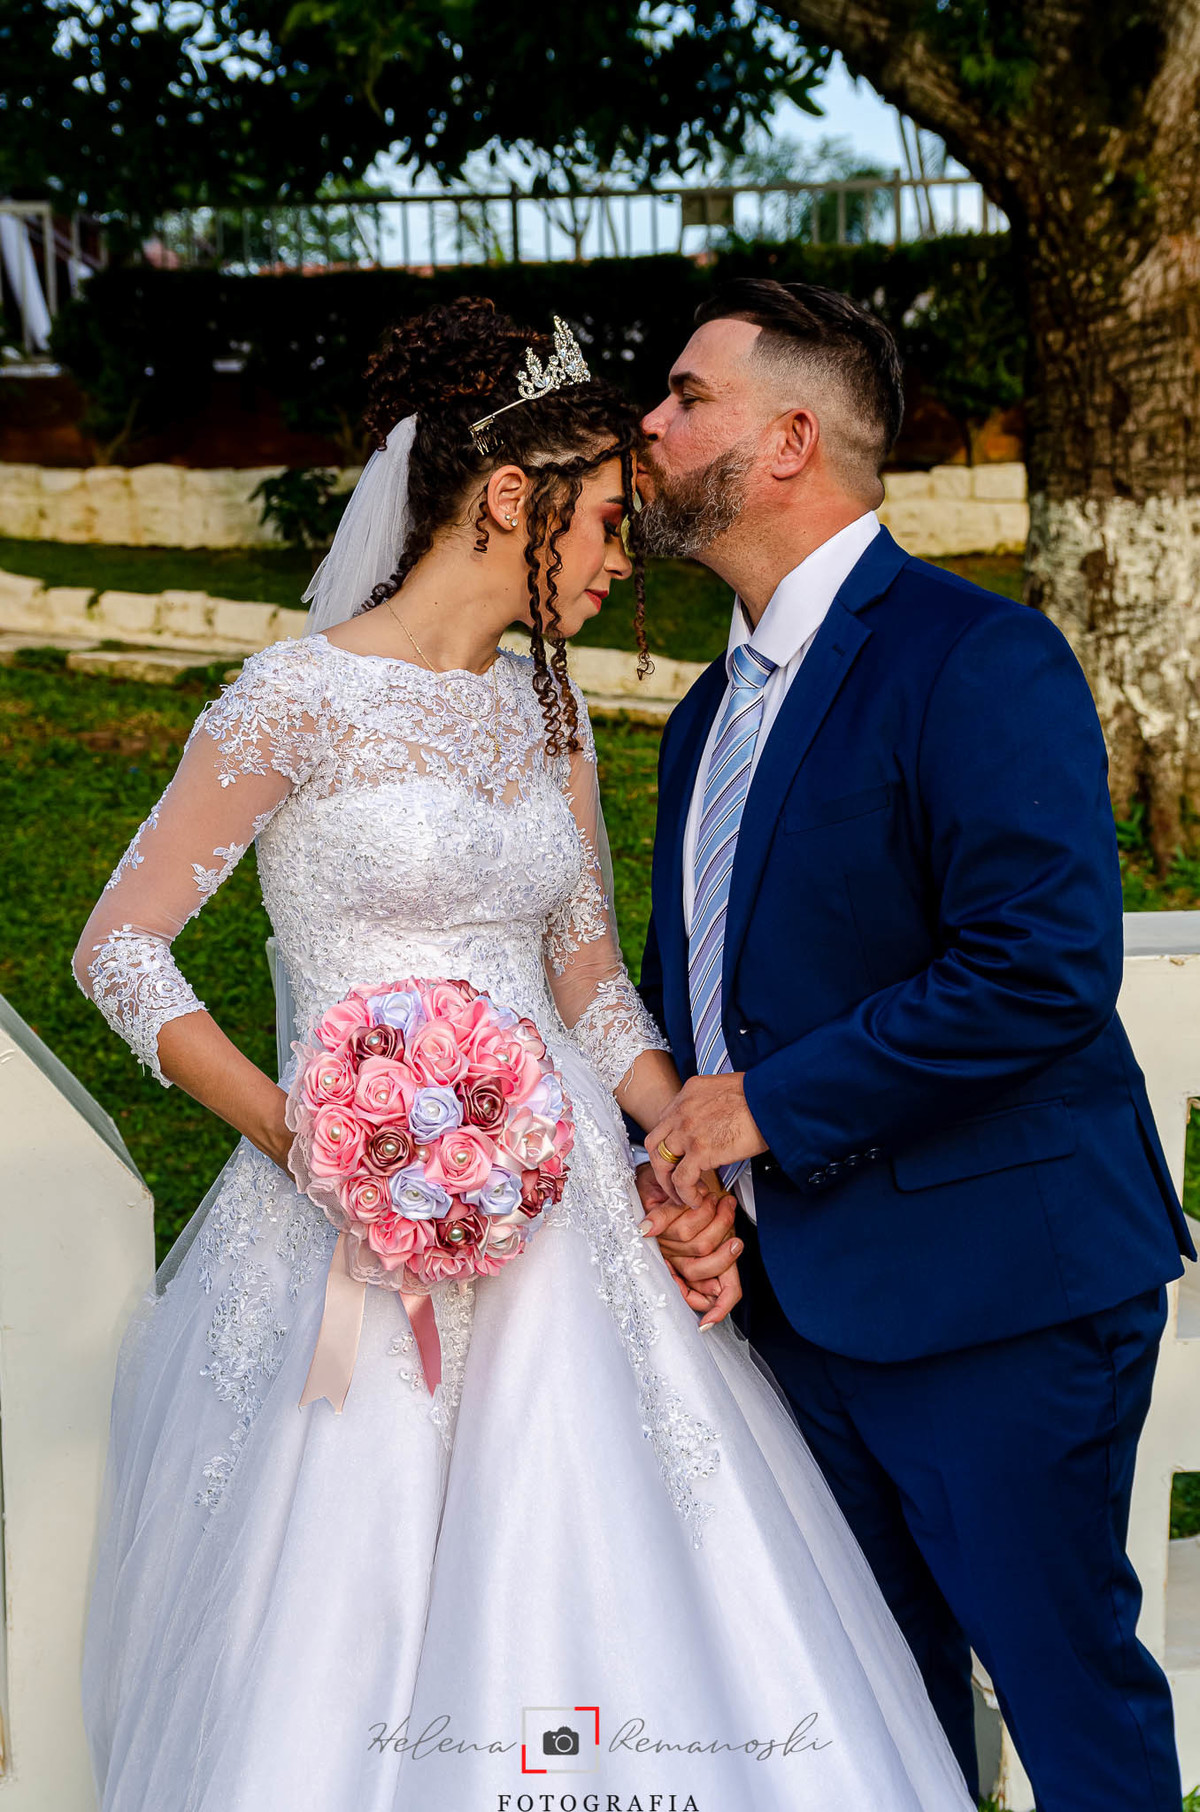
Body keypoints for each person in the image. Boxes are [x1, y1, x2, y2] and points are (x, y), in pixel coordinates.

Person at [73, 296, 975, 1811]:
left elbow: (593, 989)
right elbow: (119, 947)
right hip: (341, 1224)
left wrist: (684, 1141)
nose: (626, 559)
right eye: (610, 522)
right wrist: (306, 1135)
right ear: (510, 496)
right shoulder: (298, 698)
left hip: (562, 1212)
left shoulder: (548, 719)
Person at [630, 276, 1196, 1812]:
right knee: (875, 1729)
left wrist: (761, 1111)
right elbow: (694, 993)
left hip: (998, 1298)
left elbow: (1041, 965)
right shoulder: (701, 718)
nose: (650, 425)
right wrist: (677, 1167)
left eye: (686, 398)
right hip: (792, 1311)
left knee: (1070, 1709)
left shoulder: (975, 656)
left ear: (790, 440)